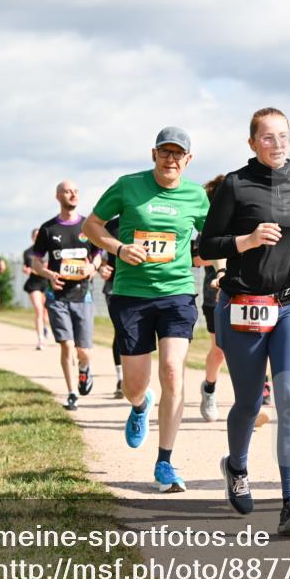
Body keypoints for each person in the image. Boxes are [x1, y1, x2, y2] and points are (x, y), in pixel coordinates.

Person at [199, 107, 290, 535]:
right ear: (252, 143)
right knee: (251, 401)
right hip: (242, 305)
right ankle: (236, 467)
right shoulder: (236, 184)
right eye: (268, 138)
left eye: (284, 136)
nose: (277, 144)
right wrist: (247, 240)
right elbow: (205, 247)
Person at [84, 127, 209, 494]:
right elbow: (92, 226)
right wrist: (119, 249)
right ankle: (140, 406)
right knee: (135, 386)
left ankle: (165, 461)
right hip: (132, 295)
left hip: (177, 294)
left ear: (188, 159)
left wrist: (222, 269)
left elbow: (212, 238)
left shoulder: (197, 195)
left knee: (172, 370)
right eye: (165, 152)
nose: (171, 160)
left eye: (178, 154)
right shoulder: (127, 186)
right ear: (154, 154)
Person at [30, 181, 101, 411]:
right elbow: (36, 262)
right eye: (68, 191)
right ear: (58, 196)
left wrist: (93, 268)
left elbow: (98, 255)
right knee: (67, 346)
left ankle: (84, 370)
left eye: (76, 191)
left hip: (83, 296)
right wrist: (49, 274)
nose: (73, 194)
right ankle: (71, 393)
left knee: (84, 352)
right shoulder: (48, 229)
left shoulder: (87, 226)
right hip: (58, 297)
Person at [195, 175, 228, 423]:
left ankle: (257, 394)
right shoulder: (208, 226)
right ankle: (209, 388)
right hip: (214, 294)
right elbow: (196, 259)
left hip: (247, 294)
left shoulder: (248, 221)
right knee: (219, 351)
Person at [98, 215, 125, 398]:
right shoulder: (108, 225)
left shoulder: (151, 217)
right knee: (121, 330)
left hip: (147, 287)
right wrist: (100, 266)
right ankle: (122, 379)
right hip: (115, 285)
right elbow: (92, 251)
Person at [22, 228, 51, 350]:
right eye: (35, 236)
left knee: (45, 312)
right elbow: (26, 265)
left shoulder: (49, 250)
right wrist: (26, 269)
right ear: (32, 237)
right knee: (38, 309)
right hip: (34, 283)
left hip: (46, 281)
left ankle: (45, 326)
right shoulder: (28, 252)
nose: (37, 237)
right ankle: (40, 340)